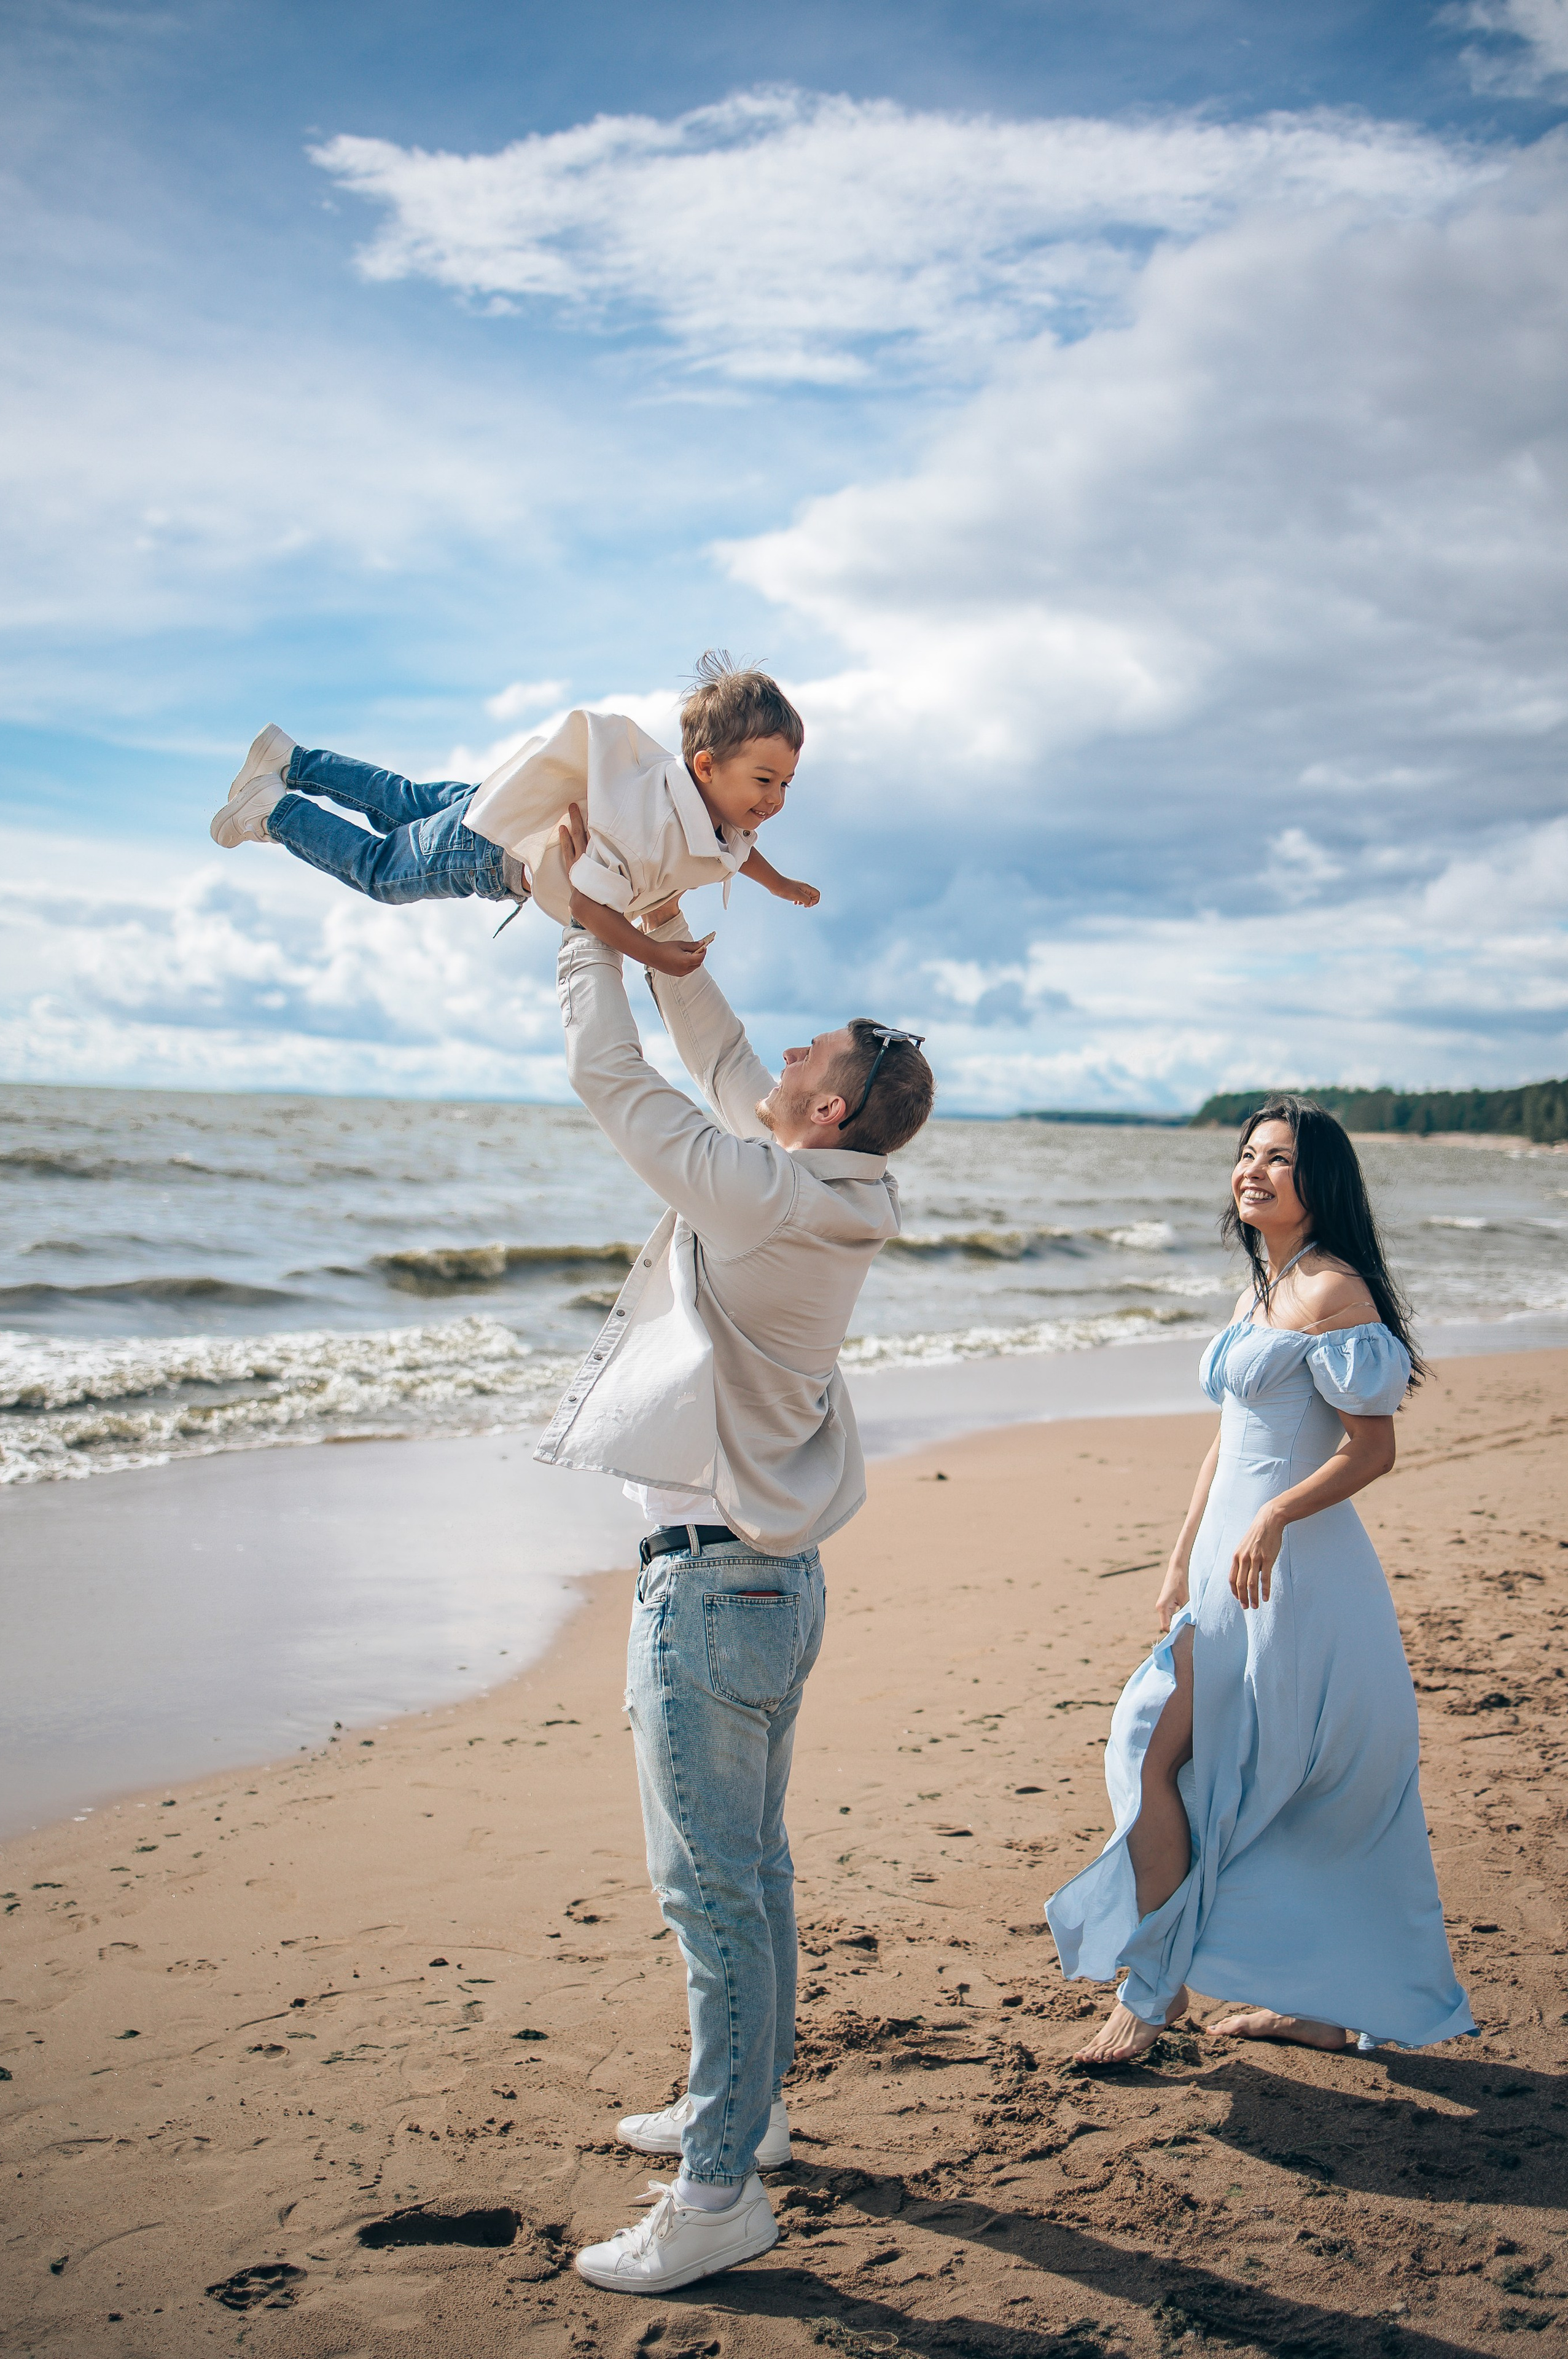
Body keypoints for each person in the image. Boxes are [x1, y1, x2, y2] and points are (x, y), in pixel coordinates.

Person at [537, 811, 934, 2292]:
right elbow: (712, 1053)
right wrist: (655, 915)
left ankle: (714, 2198)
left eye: (793, 1072)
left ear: (823, 1113)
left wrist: (581, 927)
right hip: (766, 1585)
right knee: (750, 1875)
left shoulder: (767, 1191)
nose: (769, 1072)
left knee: (710, 1892)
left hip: (711, 1592)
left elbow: (611, 1077)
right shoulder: (825, 1183)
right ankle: (746, 2117)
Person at [1047, 1097, 1473, 2065]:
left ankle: (1155, 1996)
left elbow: (1374, 1450)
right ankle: (1263, 1996)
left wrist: (1275, 1518)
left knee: (1262, 1780)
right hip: (1225, 1573)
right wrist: (1180, 1552)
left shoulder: (1332, 1289)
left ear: (1319, 1182)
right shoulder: (1259, 1291)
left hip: (1298, 1581)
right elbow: (1227, 1444)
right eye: (1246, 1155)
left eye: (1277, 1158)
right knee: (1164, 1753)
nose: (1253, 1171)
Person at [206, 655, 820, 977]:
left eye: (786, 783)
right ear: (706, 767)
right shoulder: (650, 828)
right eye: (763, 781)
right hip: (492, 851)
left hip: (511, 799)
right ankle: (275, 810)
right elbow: (587, 907)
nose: (774, 801)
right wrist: (654, 953)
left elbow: (739, 848)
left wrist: (780, 883)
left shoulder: (717, 814)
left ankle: (292, 760)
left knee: (404, 802)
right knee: (379, 870)